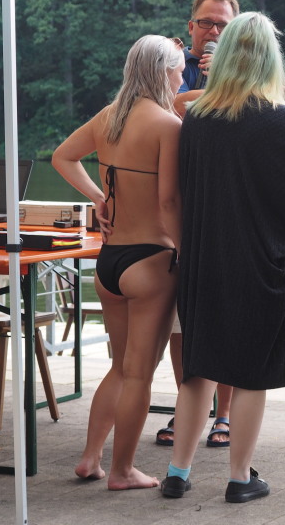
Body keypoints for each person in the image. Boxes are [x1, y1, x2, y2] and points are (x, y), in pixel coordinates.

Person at [162, 12, 285, 504]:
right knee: (251, 374)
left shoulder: (197, 118)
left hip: (204, 261)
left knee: (198, 369)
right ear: (271, 58)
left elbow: (182, 193)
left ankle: (177, 473)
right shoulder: (280, 119)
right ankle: (240, 477)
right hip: (260, 263)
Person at [52, 34, 184, 490]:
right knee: (140, 374)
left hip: (109, 262)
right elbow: (168, 201)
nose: (181, 78)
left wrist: (98, 198)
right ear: (162, 72)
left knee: (119, 368)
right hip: (151, 260)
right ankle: (123, 471)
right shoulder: (167, 125)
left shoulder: (109, 116)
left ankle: (91, 459)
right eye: (178, 71)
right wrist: (185, 248)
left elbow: (63, 157)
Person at [156, 0, 240, 450]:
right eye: (206, 23)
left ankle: (223, 413)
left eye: (223, 25)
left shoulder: (244, 71)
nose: (213, 31)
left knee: (225, 314)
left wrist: (221, 81)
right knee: (180, 321)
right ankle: (187, 406)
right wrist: (206, 91)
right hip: (178, 206)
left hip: (225, 210)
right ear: (191, 26)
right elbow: (156, 109)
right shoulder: (170, 65)